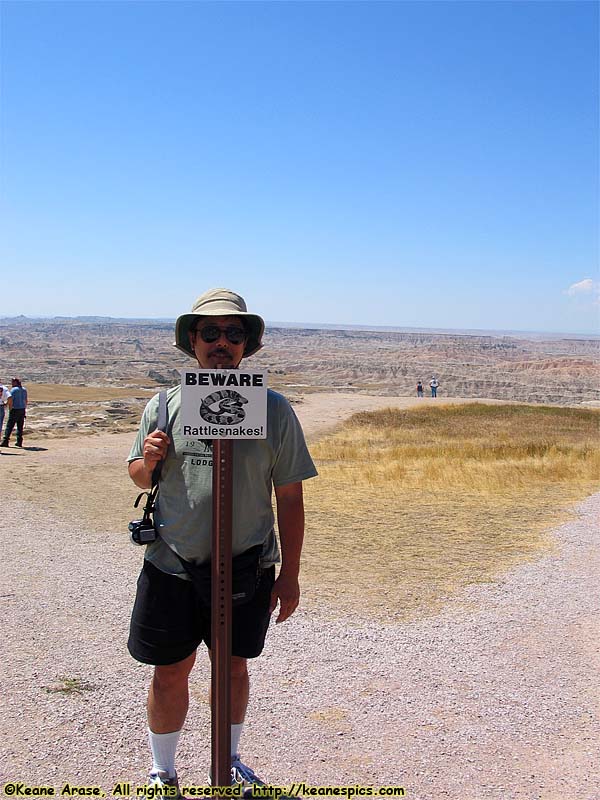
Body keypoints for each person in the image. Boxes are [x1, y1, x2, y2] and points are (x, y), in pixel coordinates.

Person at [127, 288, 317, 793]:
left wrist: (292, 575)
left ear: (247, 345)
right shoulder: (165, 405)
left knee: (231, 669)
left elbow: (290, 497)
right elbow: (139, 477)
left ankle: (226, 760)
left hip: (246, 567)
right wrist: (149, 459)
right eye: (209, 332)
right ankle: (162, 770)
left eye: (234, 333)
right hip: (172, 565)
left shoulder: (274, 411)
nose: (221, 342)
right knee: (170, 672)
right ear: (192, 340)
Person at [1, 378, 28, 448]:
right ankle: (19, 441)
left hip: (15, 409)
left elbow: (10, 399)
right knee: (20, 426)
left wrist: (8, 406)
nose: (12, 383)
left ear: (15, 382)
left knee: (9, 426)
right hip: (22, 409)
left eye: (12, 382)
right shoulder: (24, 389)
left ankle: (5, 441)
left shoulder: (14, 390)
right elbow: (26, 400)